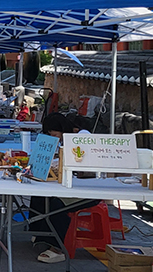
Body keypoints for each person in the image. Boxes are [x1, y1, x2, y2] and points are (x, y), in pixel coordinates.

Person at [29, 113, 100, 264]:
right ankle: (40, 233)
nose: (54, 137)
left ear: (61, 129)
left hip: (88, 189)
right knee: (38, 194)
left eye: (54, 134)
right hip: (70, 185)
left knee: (57, 203)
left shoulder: (82, 137)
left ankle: (57, 248)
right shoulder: (66, 139)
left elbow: (83, 165)